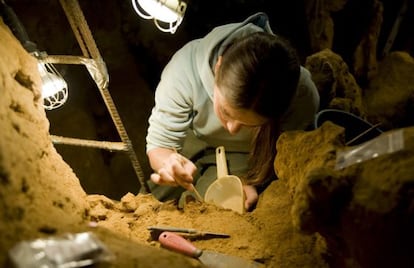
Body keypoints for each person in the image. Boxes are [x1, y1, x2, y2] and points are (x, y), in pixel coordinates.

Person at [145, 12, 320, 210]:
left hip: (246, 153)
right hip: (189, 141)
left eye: (248, 124)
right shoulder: (184, 71)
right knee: (151, 203)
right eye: (226, 112)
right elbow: (159, 146)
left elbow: (286, 159)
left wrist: (252, 181)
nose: (232, 129)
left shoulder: (302, 97)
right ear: (218, 67)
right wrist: (168, 163)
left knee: (213, 209)